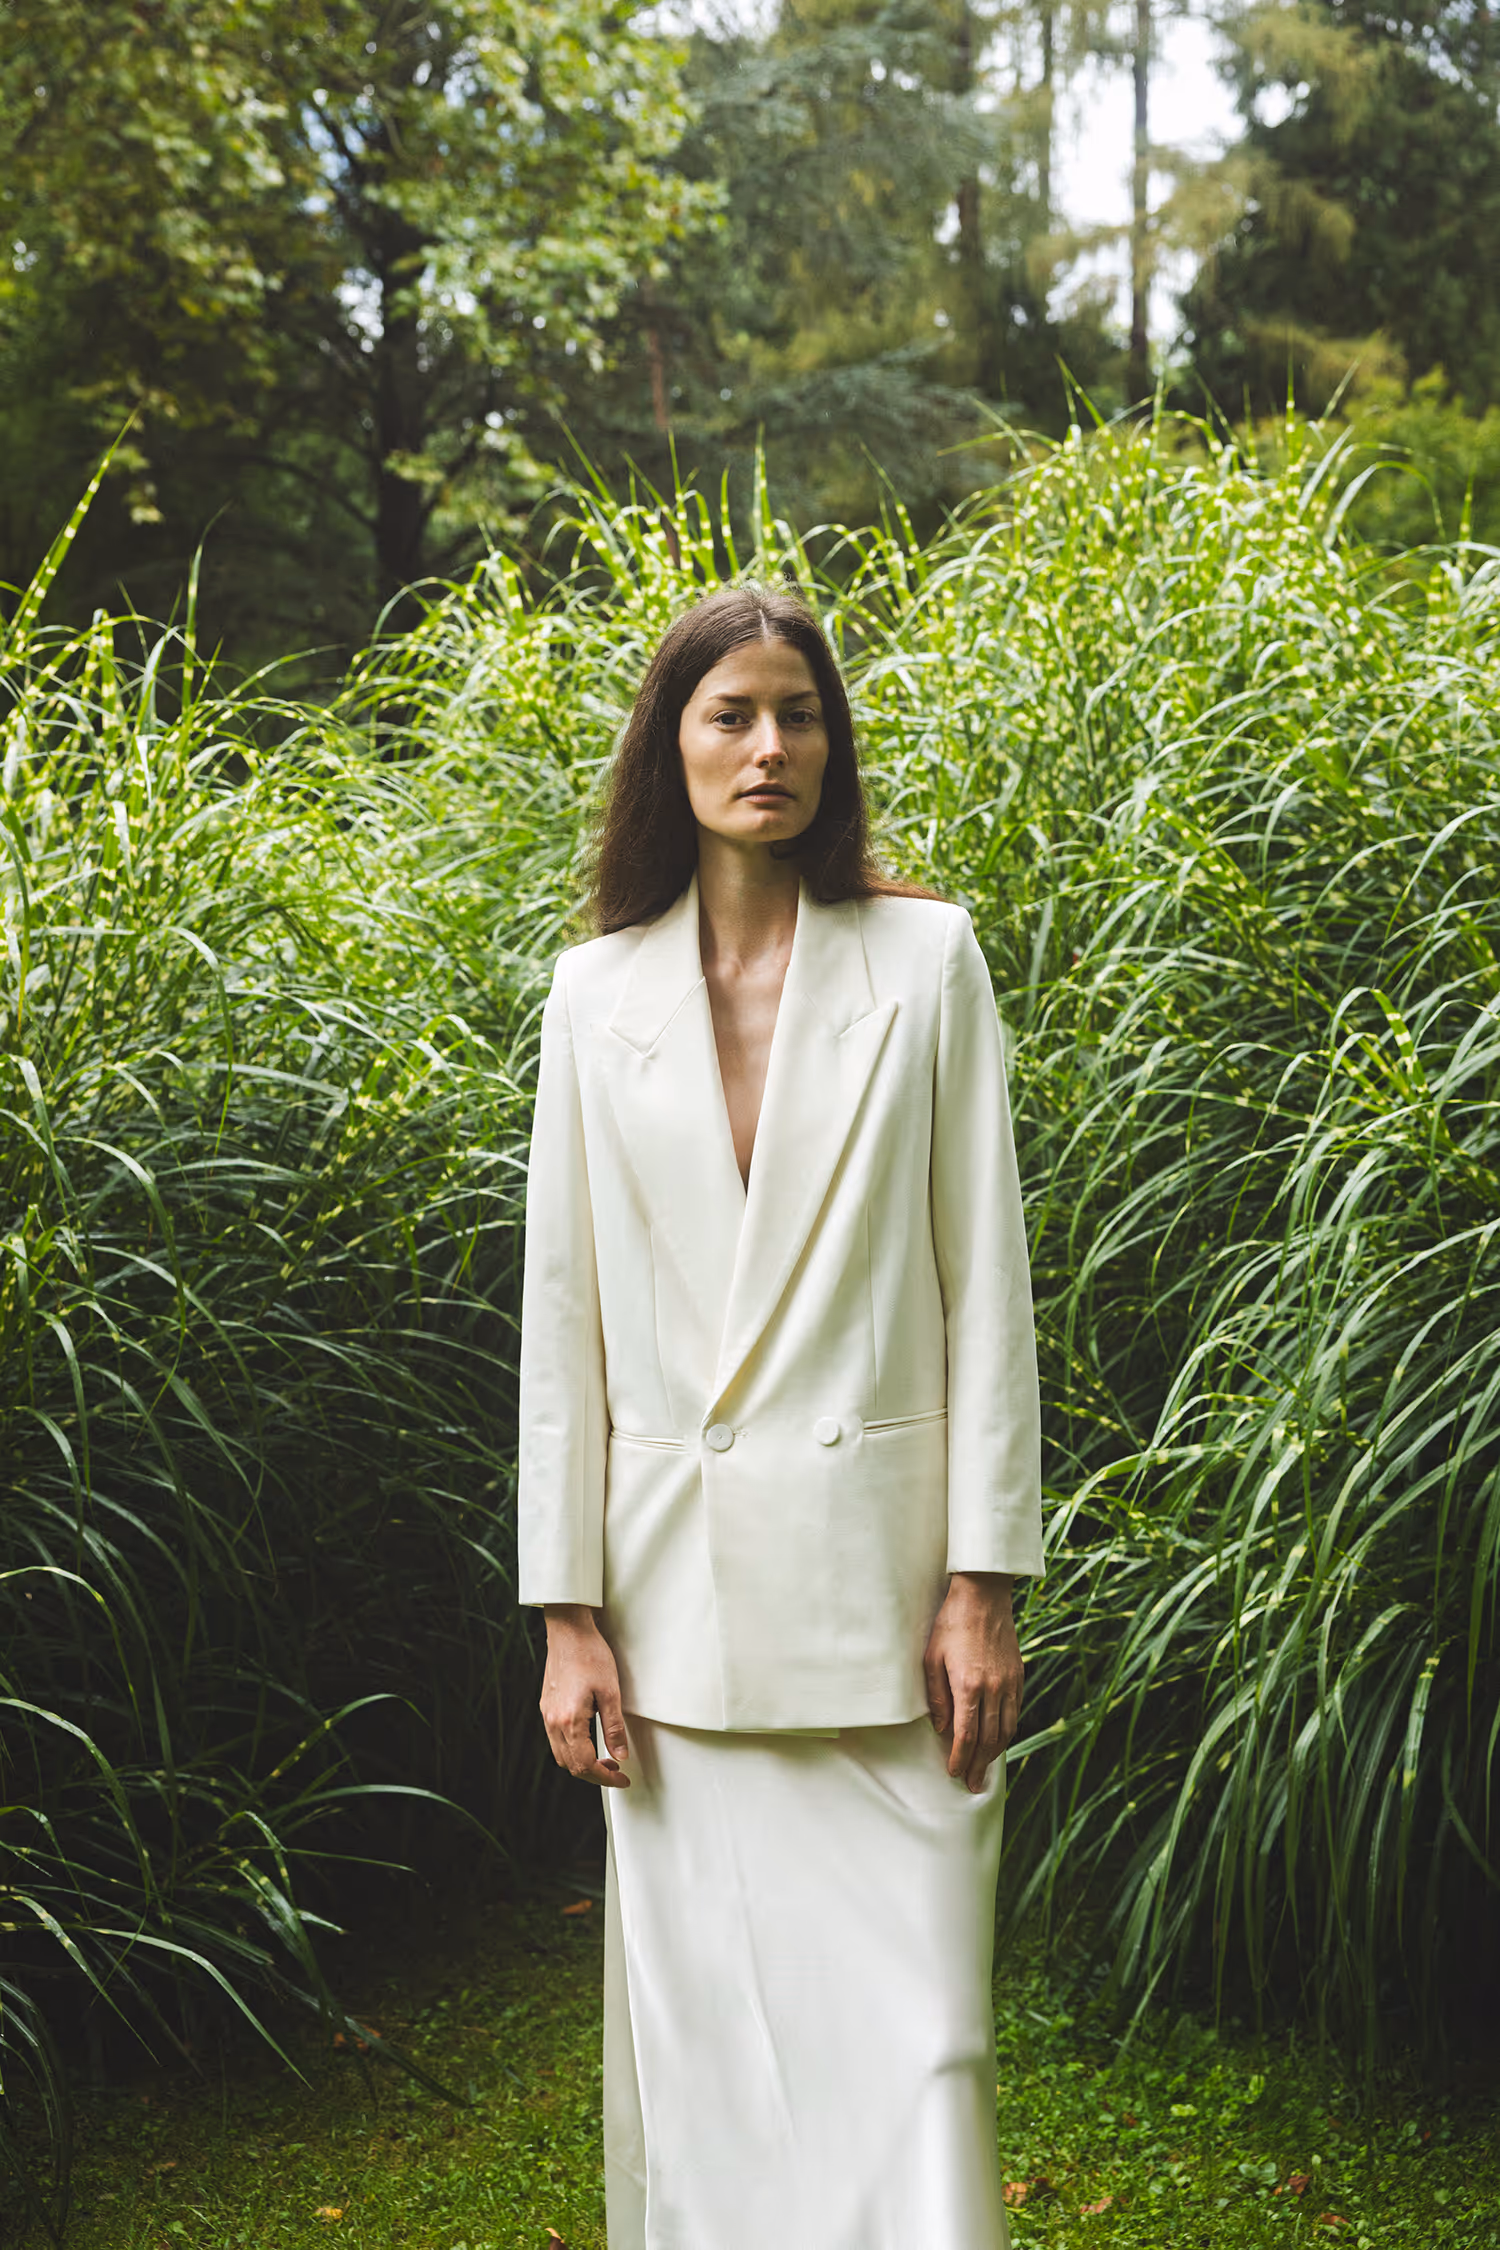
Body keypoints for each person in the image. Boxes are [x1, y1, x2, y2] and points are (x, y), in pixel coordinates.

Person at [517, 583, 1044, 2249]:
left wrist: (984, 1583)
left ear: (835, 743)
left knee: (924, 2067)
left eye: (797, 713)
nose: (769, 746)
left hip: (891, 1621)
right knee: (720, 2089)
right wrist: (566, 1614)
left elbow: (988, 1288)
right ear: (669, 751)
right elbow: (565, 1326)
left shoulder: (930, 959)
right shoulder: (592, 996)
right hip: (681, 1628)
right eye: (730, 715)